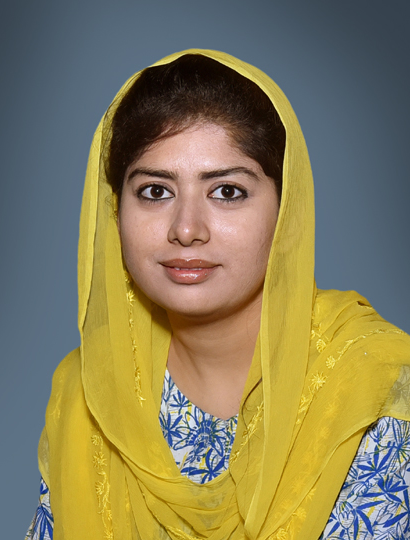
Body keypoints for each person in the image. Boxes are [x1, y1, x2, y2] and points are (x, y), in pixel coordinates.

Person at [26, 50, 410, 540]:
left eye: (227, 191)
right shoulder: (92, 389)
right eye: (155, 191)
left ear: (286, 208)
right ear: (116, 211)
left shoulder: (371, 386)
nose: (186, 229)